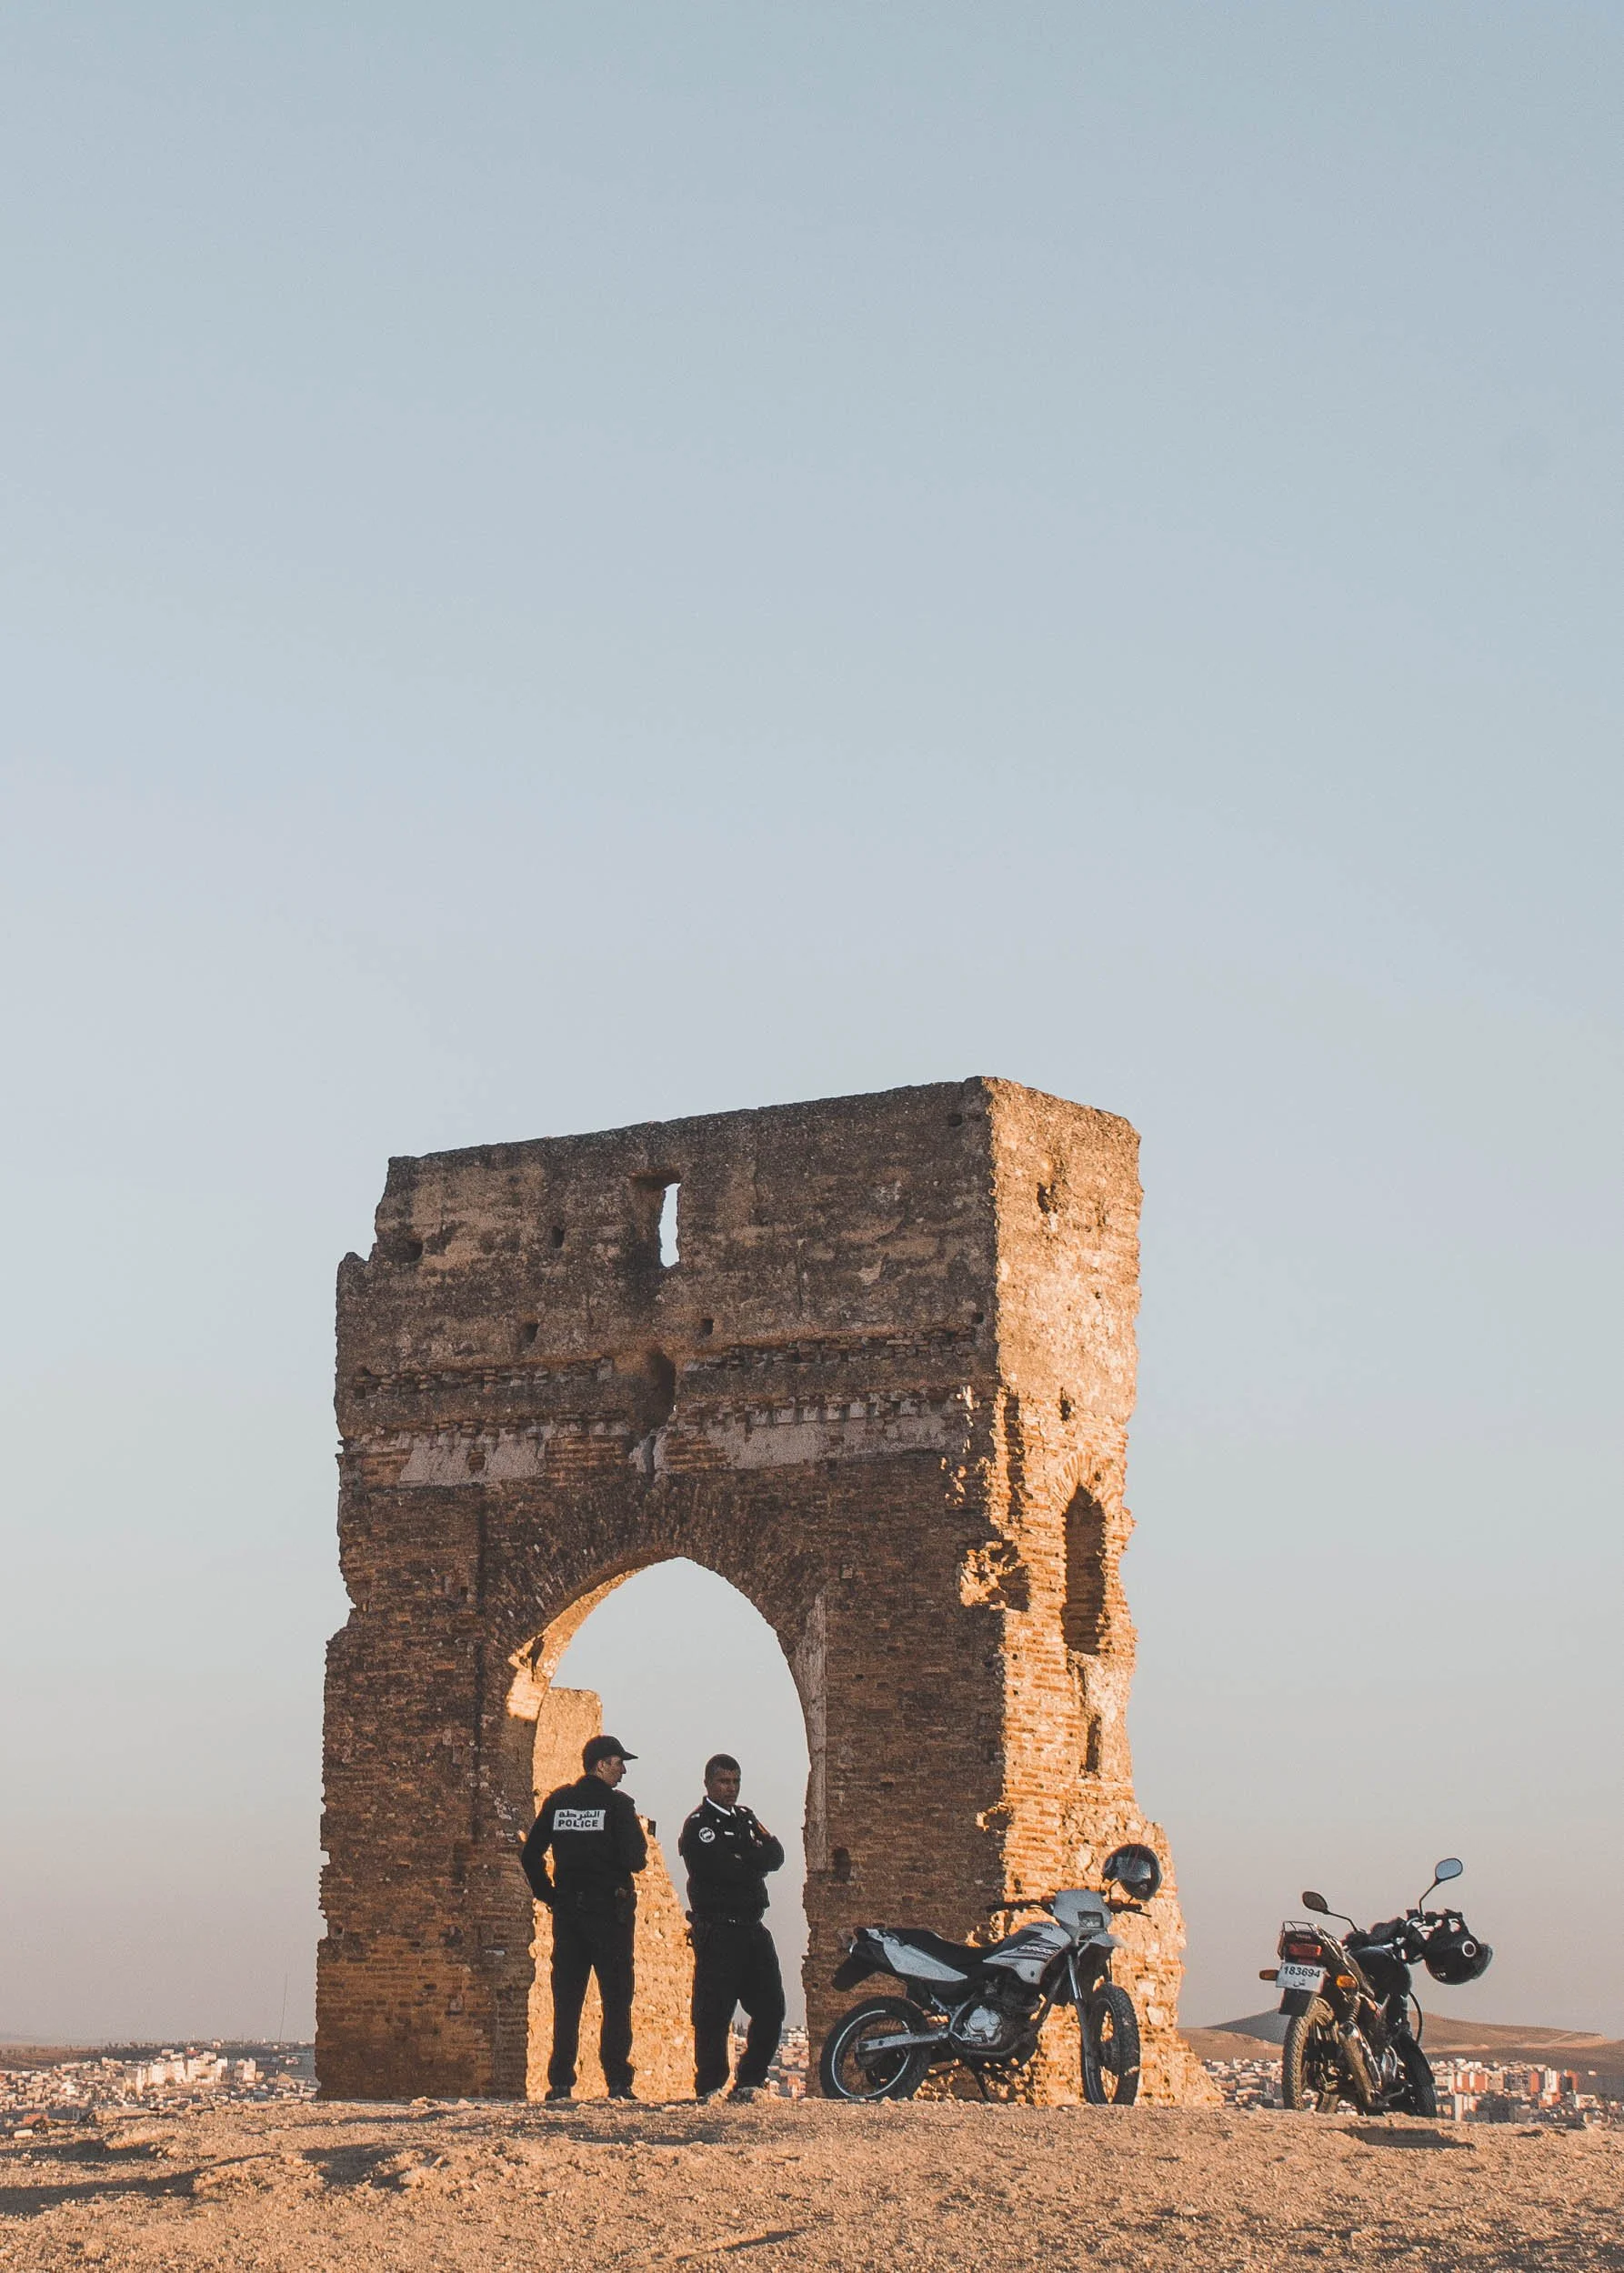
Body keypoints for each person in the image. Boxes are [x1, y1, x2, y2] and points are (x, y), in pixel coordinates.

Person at [521, 1734, 647, 2103]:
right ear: (601, 1765)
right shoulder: (618, 1806)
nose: (623, 1770)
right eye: (618, 1762)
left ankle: (560, 2083)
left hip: (569, 1915)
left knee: (567, 2000)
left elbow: (531, 1856)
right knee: (616, 1998)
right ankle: (619, 2082)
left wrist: (550, 1895)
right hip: (609, 1916)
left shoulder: (559, 1802)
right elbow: (636, 1860)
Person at [678, 1753, 787, 2102]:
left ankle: (750, 2081)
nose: (731, 1789)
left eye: (736, 1781)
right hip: (719, 1931)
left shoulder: (746, 1819)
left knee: (772, 2008)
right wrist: (749, 1860)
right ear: (708, 1783)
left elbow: (776, 1856)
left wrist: (747, 1858)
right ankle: (710, 2087)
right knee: (714, 2014)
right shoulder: (699, 1825)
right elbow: (721, 1868)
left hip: (753, 1929)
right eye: (724, 1782)